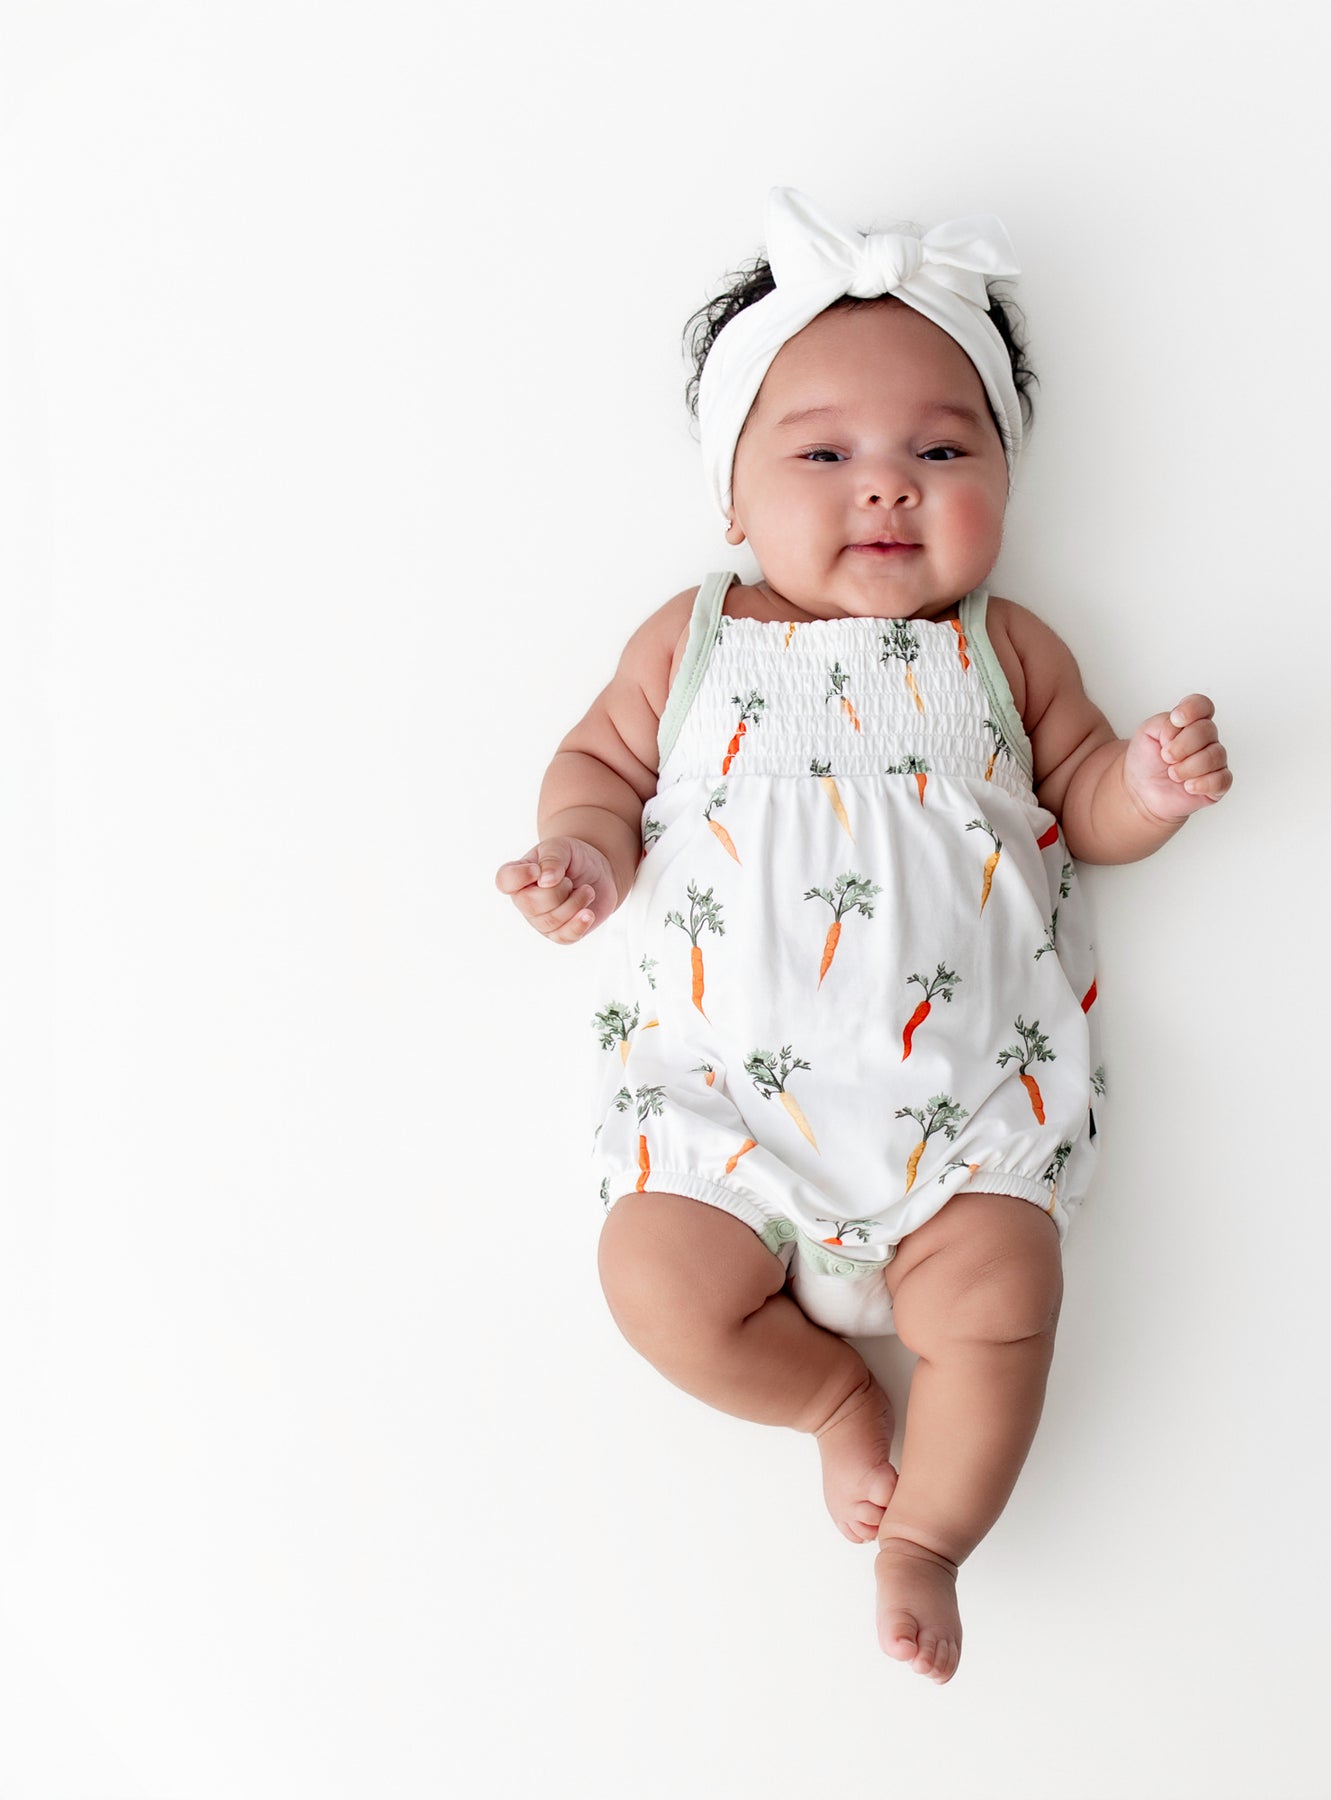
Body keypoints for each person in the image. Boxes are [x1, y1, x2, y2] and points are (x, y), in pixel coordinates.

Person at [494, 187, 1232, 1683]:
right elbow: (602, 769)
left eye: (941, 452)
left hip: (961, 1117)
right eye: (824, 453)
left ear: (1003, 480)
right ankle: (829, 1399)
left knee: (1006, 1296)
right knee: (651, 1278)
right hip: (723, 1119)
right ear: (733, 500)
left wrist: (1144, 789)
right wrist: (578, 851)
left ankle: (929, 1538)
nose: (886, 487)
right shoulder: (692, 639)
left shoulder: (1004, 648)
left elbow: (1081, 800)